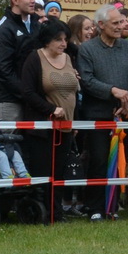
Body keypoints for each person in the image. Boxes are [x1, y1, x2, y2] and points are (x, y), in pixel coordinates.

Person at [75, 4, 128, 220]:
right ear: (101, 25)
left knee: (126, 159)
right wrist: (113, 91)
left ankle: (117, 205)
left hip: (126, 115)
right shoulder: (87, 50)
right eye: (115, 23)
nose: (121, 26)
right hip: (98, 114)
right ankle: (95, 207)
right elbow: (87, 80)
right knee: (99, 160)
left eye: (122, 22)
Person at [21, 22, 82, 220]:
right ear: (47, 40)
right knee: (43, 171)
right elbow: (28, 92)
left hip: (66, 126)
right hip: (43, 127)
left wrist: (75, 122)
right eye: (58, 39)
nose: (64, 43)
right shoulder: (34, 58)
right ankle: (41, 212)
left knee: (60, 172)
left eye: (65, 39)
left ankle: (56, 212)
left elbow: (75, 92)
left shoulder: (69, 58)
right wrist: (50, 109)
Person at [0, 0, 41, 123]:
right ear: (15, 0)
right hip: (9, 101)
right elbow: (4, 71)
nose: (32, 1)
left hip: (32, 100)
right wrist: (29, 93)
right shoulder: (3, 30)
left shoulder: (36, 25)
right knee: (9, 143)